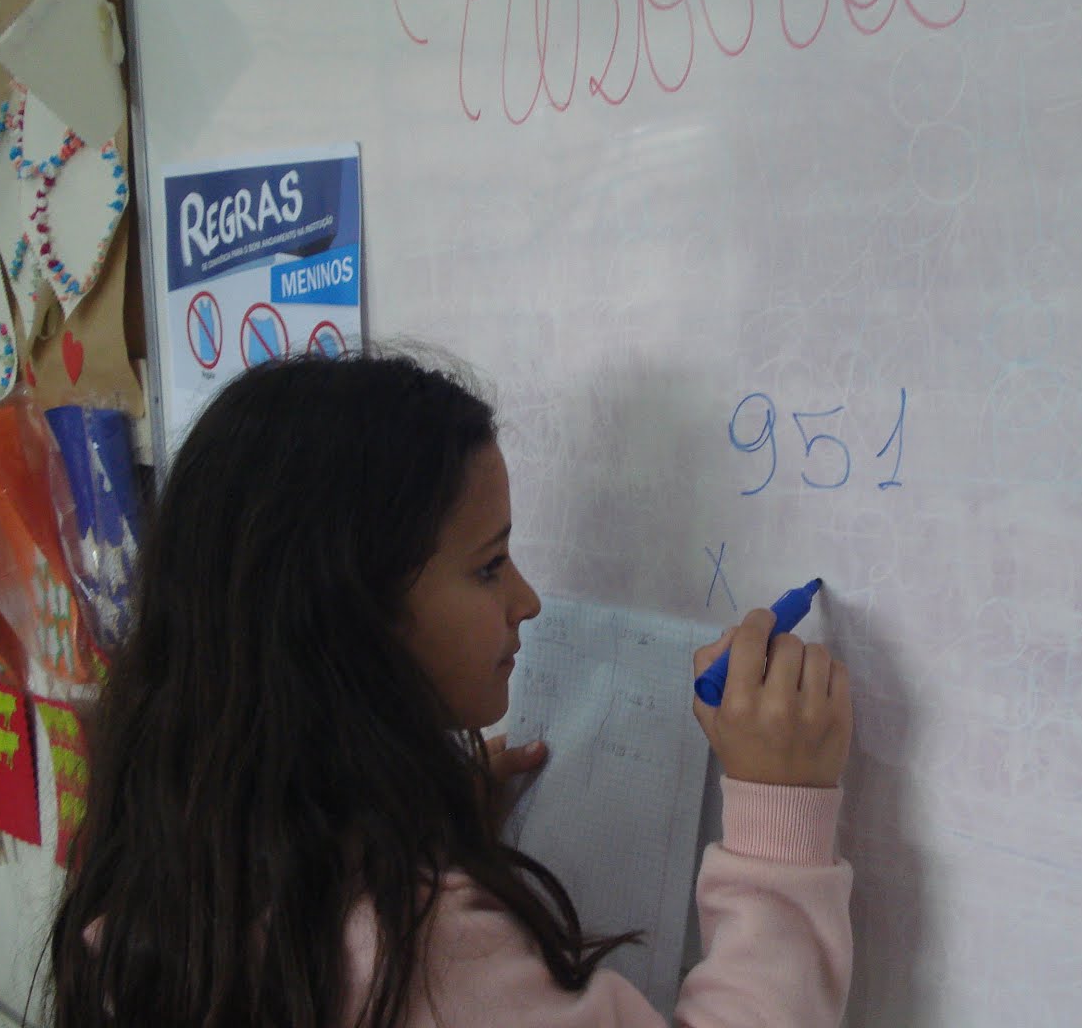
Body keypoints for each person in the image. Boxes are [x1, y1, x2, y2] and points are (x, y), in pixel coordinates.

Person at [45, 349, 853, 1027]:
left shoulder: (173, 868)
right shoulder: (421, 959)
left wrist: (411, 831)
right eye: (490, 566)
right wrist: (778, 825)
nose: (527, 601)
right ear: (349, 616)